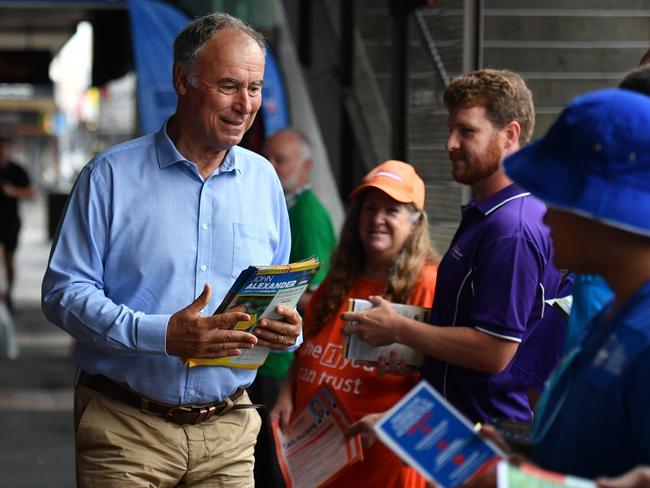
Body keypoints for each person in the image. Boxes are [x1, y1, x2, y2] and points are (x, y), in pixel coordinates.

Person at [42, 13, 302, 487]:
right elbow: (63, 294)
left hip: (229, 433)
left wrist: (285, 328)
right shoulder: (110, 177)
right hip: (126, 430)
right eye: (229, 85)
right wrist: (162, 335)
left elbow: (275, 292)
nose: (246, 105)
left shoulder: (264, 180)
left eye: (255, 87)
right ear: (183, 80)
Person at [342, 69, 568, 424]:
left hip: (487, 440)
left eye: (467, 131)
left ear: (510, 135)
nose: (450, 143)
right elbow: (471, 326)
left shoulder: (511, 227)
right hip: (460, 428)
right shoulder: (494, 213)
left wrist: (399, 329)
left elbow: (494, 351)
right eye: (450, 129)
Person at [502, 88, 650, 482]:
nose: (545, 218)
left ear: (602, 208)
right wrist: (527, 463)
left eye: (558, 199)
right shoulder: (615, 312)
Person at [270, 160, 439, 487]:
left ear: (415, 222)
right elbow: (307, 346)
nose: (377, 219)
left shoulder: (427, 282)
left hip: (381, 461)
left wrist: (395, 421)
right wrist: (287, 395)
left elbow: (442, 383)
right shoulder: (342, 275)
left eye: (392, 211)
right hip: (318, 459)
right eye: (370, 208)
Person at [250, 127, 336, 487]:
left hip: (280, 362)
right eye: (267, 157)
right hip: (263, 357)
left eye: (280, 160)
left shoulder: (307, 214)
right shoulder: (283, 206)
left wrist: (263, 293)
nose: (271, 166)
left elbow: (318, 296)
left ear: (306, 167)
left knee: (270, 467)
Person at [0, 135, 34, 313]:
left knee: (9, 260)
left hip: (10, 221)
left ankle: (9, 294)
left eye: (5, 148)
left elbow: (31, 193)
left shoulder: (16, 170)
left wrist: (12, 191)